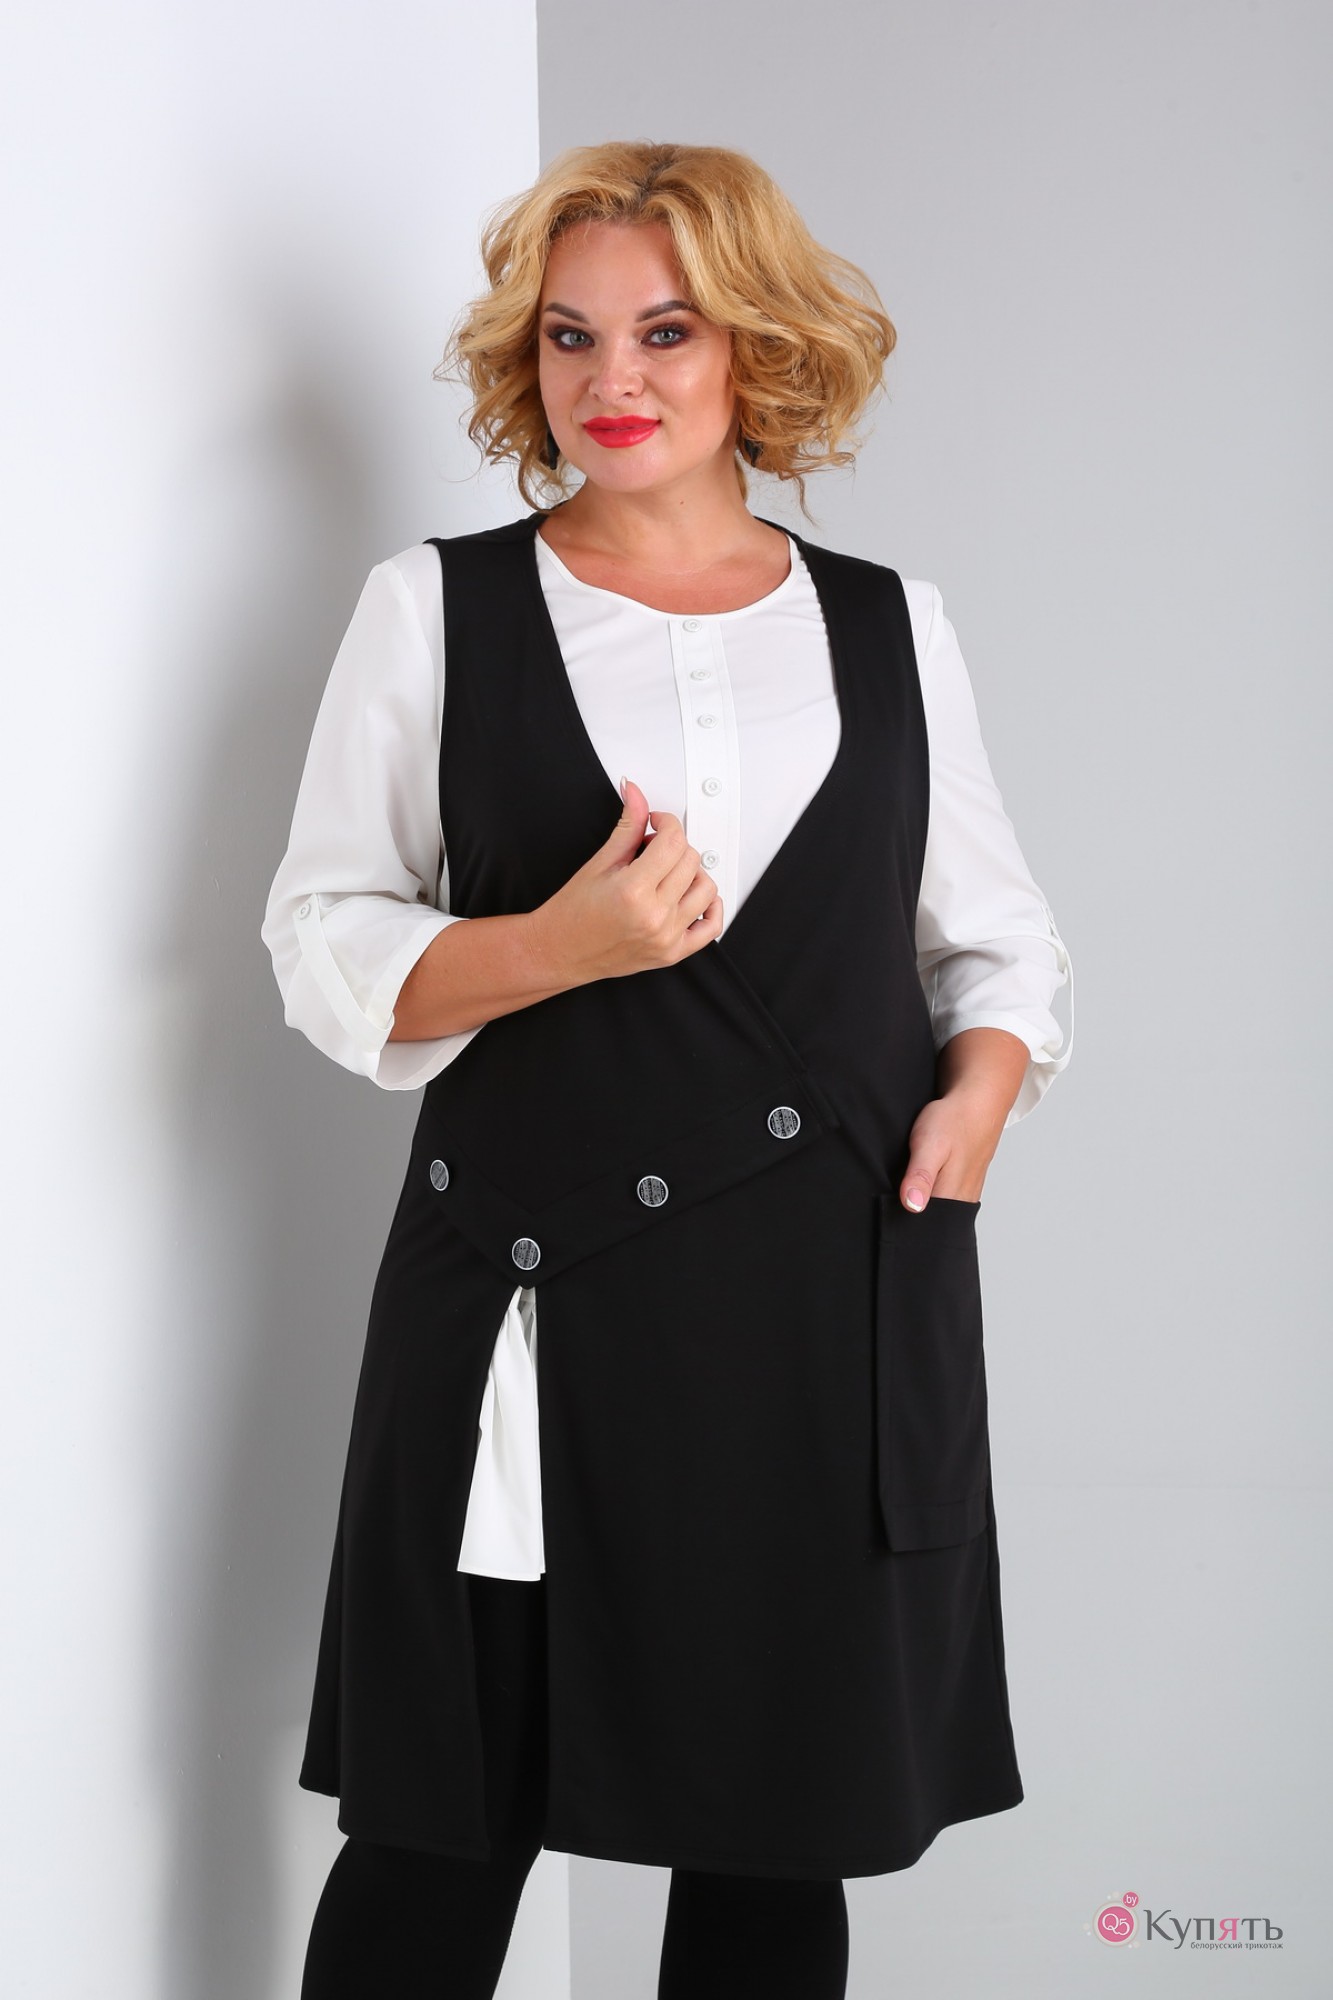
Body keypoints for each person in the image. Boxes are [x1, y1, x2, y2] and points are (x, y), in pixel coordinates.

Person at [262, 140, 1074, 2000]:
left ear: (754, 349)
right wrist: (561, 943)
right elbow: (319, 936)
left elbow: (989, 937)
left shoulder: (886, 622)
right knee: (434, 1845)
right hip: (533, 1297)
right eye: (568, 337)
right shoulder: (433, 608)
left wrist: (980, 1093)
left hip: (820, 1300)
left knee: (777, 1850)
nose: (609, 380)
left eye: (664, 331)